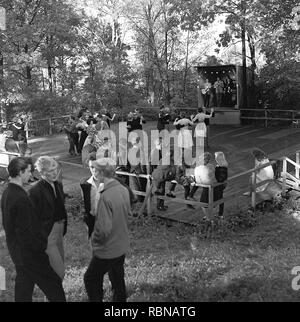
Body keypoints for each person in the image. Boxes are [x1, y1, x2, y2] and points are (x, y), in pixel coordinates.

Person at [1, 157, 66, 302]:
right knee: (54, 285)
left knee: (24, 289)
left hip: (18, 252)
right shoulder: (20, 197)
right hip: (30, 254)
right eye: (29, 172)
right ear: (20, 172)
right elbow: (26, 231)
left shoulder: (7, 193)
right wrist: (41, 246)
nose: (30, 175)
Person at [84, 158, 131, 302]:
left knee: (90, 278)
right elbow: (127, 212)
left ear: (103, 173)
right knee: (117, 274)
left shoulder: (105, 195)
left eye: (97, 169)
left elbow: (104, 228)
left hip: (108, 246)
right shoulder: (122, 189)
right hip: (121, 240)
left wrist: (95, 240)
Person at [28, 156, 68, 281]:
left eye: (56, 168)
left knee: (60, 271)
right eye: (51, 171)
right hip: (48, 233)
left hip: (60, 231)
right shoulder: (35, 191)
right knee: (58, 273)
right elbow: (31, 219)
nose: (55, 172)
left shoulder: (58, 185)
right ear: (42, 172)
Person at [214, 151, 228, 216]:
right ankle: (219, 213)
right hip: (219, 184)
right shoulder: (219, 165)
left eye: (215, 157)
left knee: (220, 198)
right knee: (218, 197)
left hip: (220, 184)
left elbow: (222, 178)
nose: (215, 158)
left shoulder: (222, 167)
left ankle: (220, 214)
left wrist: (214, 179)